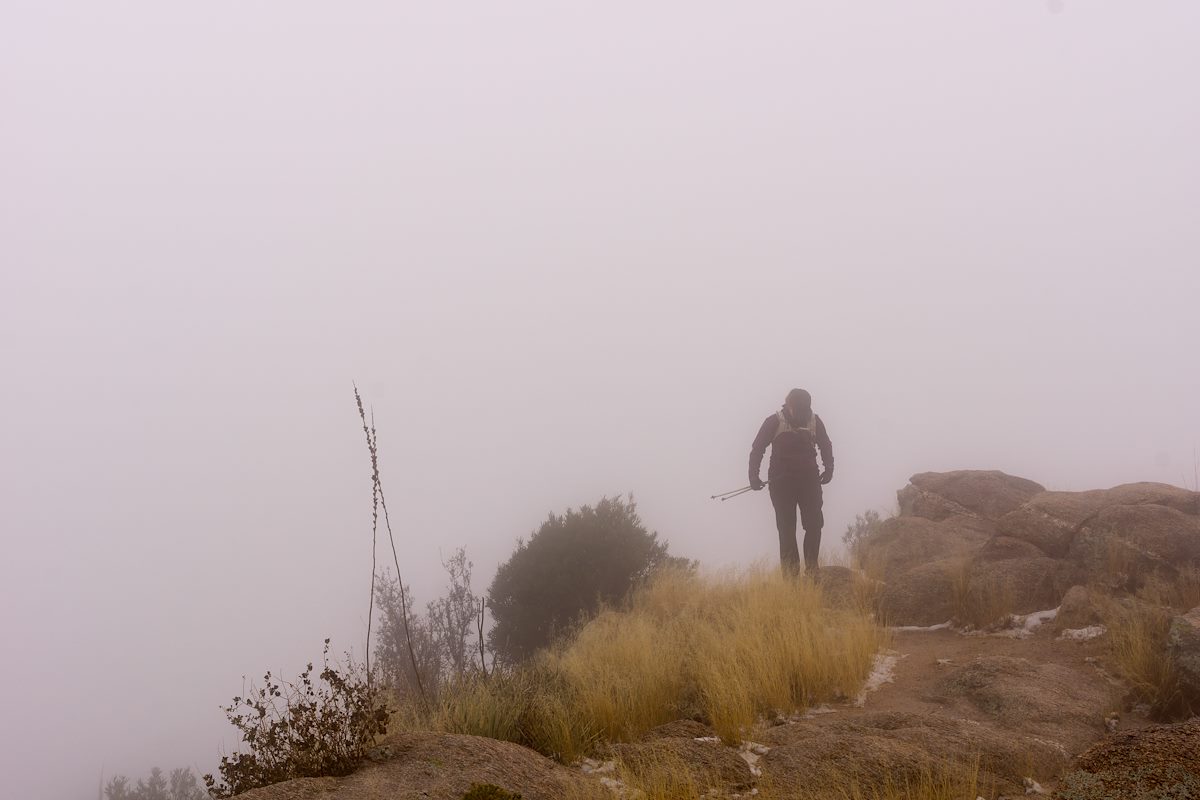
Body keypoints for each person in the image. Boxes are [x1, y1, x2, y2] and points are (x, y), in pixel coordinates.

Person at [748, 388, 834, 575]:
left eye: (805, 407)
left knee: (813, 524)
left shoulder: (814, 421)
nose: (802, 411)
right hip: (782, 483)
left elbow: (826, 445)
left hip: (808, 481)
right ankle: (792, 577)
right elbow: (758, 448)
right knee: (788, 528)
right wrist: (753, 476)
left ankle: (811, 568)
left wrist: (829, 468)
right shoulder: (775, 421)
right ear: (789, 405)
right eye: (798, 407)